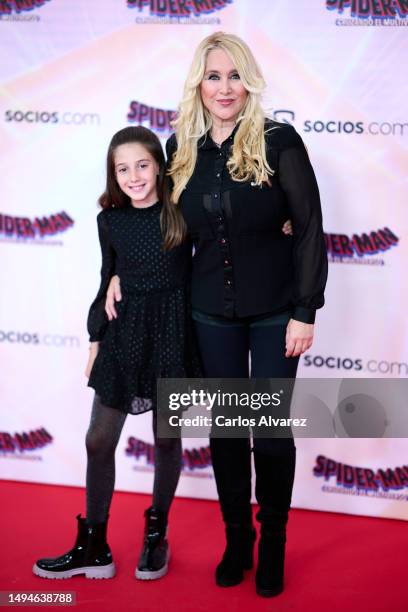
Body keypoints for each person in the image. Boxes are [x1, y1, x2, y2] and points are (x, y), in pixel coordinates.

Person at [106, 31, 328, 598]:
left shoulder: (279, 141)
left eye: (234, 76)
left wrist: (306, 309)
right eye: (213, 76)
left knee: (271, 433)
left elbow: (306, 229)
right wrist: (114, 273)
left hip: (278, 310)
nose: (224, 87)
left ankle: (272, 539)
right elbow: (159, 224)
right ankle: (237, 540)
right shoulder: (183, 148)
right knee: (228, 431)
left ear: (247, 81)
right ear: (198, 86)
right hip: (211, 314)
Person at [32, 126, 201, 581]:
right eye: (122, 169)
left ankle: (156, 533)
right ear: (113, 175)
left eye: (142, 165)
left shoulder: (181, 211)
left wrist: (282, 224)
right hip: (125, 334)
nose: (133, 176)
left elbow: (229, 239)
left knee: (167, 439)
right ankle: (94, 544)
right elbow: (107, 274)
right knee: (98, 438)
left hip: (173, 334)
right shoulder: (109, 220)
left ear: (159, 166)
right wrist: (95, 338)